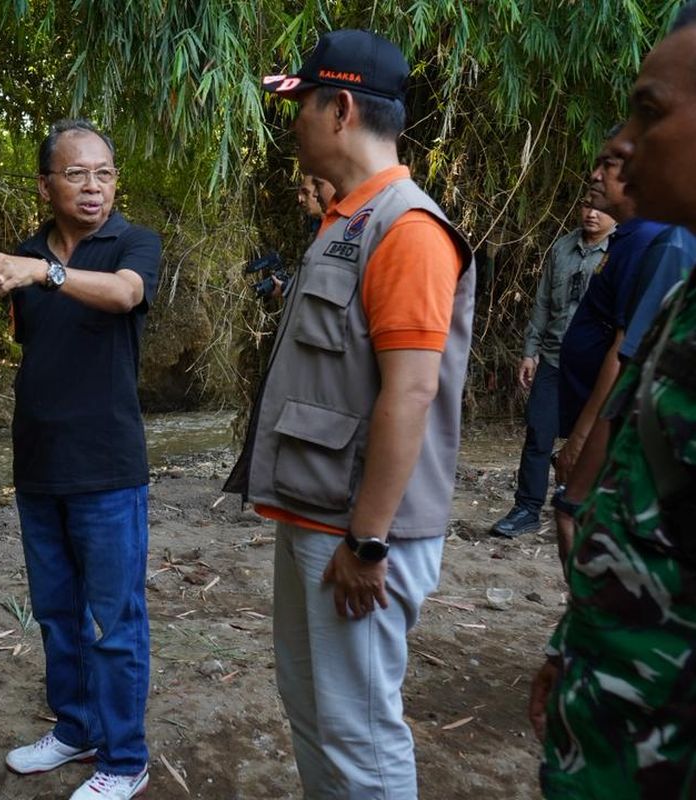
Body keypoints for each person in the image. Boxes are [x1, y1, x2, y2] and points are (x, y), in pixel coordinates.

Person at [226, 29, 474, 798]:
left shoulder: (407, 230)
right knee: (315, 712)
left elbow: (409, 393)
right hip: (316, 513)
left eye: (299, 103)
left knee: (360, 732)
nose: (292, 119)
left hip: (358, 533)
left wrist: (367, 542)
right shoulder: (348, 221)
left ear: (339, 109)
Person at [0, 119, 160, 800]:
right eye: (77, 174)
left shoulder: (132, 243)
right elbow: (37, 347)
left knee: (115, 621)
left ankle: (126, 759)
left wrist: (46, 273)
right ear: (47, 183)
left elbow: (126, 294)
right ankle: (75, 729)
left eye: (104, 173)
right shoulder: (23, 256)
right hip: (39, 467)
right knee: (57, 612)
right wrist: (32, 270)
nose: (93, 187)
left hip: (107, 470)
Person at [529, 6, 696, 797]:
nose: (622, 145)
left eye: (651, 112)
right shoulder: (685, 297)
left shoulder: (665, 252)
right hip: (608, 730)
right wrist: (573, 653)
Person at [550, 135, 696, 560]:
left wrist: (581, 443)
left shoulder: (660, 242)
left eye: (610, 165)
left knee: (579, 524)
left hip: (619, 437)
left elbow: (626, 355)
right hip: (605, 429)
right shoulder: (631, 239)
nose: (595, 175)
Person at [490, 202, 614, 537]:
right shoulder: (562, 247)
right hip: (554, 359)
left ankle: (587, 511)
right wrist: (530, 352)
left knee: (593, 440)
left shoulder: (620, 252)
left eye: (601, 209)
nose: (592, 213)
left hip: (596, 367)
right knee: (538, 433)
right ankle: (527, 508)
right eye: (588, 206)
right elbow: (542, 302)